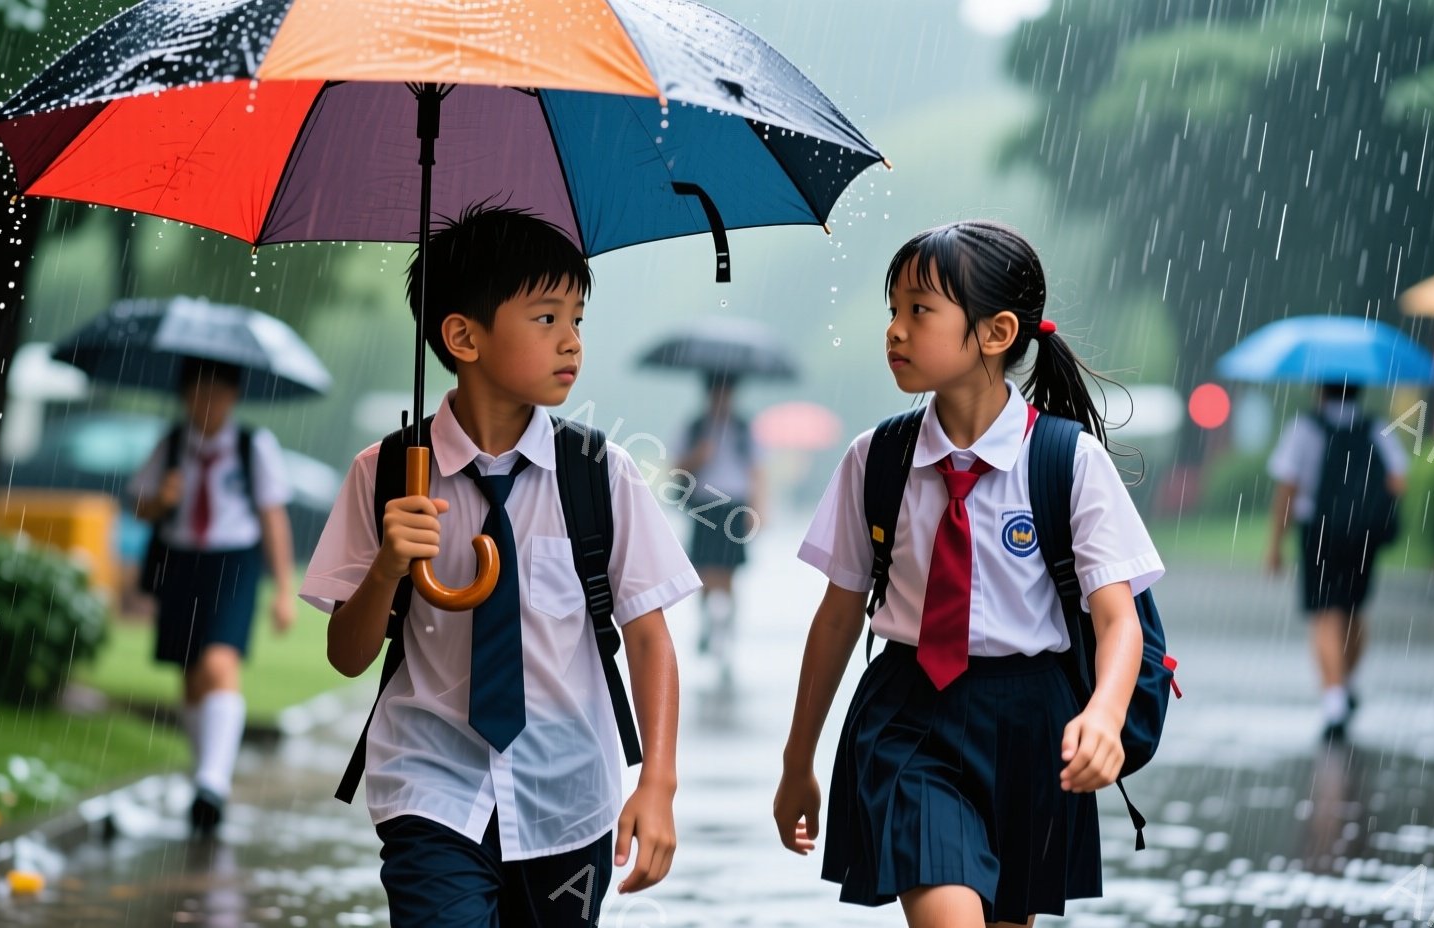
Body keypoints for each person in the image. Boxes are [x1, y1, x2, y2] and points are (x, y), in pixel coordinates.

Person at [300, 205, 697, 928]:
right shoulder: (387, 474)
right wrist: (388, 565)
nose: (571, 341)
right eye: (546, 319)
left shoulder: (599, 474)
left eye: (578, 319)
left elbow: (648, 637)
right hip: (430, 788)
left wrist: (659, 783)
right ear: (463, 336)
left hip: (569, 796)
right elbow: (347, 656)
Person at [771, 220, 1164, 927]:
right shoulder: (876, 459)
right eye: (893, 310)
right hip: (910, 716)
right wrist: (797, 760)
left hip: (1034, 727)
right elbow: (836, 618)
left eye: (919, 311)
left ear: (996, 331)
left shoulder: (1067, 462)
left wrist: (1104, 713)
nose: (894, 330)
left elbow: (1117, 619)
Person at [128, 357, 296, 837]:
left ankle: (213, 781)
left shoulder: (253, 446)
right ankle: (206, 780)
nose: (206, 403)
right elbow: (140, 507)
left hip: (234, 562)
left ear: (234, 396)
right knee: (189, 673)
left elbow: (273, 517)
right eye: (197, 393)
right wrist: (163, 497)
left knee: (218, 663)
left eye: (217, 393)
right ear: (183, 396)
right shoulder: (171, 444)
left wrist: (283, 589)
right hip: (181, 562)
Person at [1264, 382, 1407, 741]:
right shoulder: (1375, 427)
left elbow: (1287, 486)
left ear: (1319, 391)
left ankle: (1334, 700)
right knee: (1354, 610)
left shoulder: (1304, 428)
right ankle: (1346, 683)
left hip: (1319, 533)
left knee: (1325, 613)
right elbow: (1398, 478)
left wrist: (1275, 545)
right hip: (1363, 536)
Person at [673, 377, 764, 661]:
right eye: (717, 393)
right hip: (704, 504)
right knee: (702, 571)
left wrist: (757, 511)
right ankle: (706, 622)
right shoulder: (695, 428)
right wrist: (699, 455)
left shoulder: (742, 428)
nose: (721, 399)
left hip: (734, 506)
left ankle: (727, 629)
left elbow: (756, 471)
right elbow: (676, 468)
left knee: (728, 571)